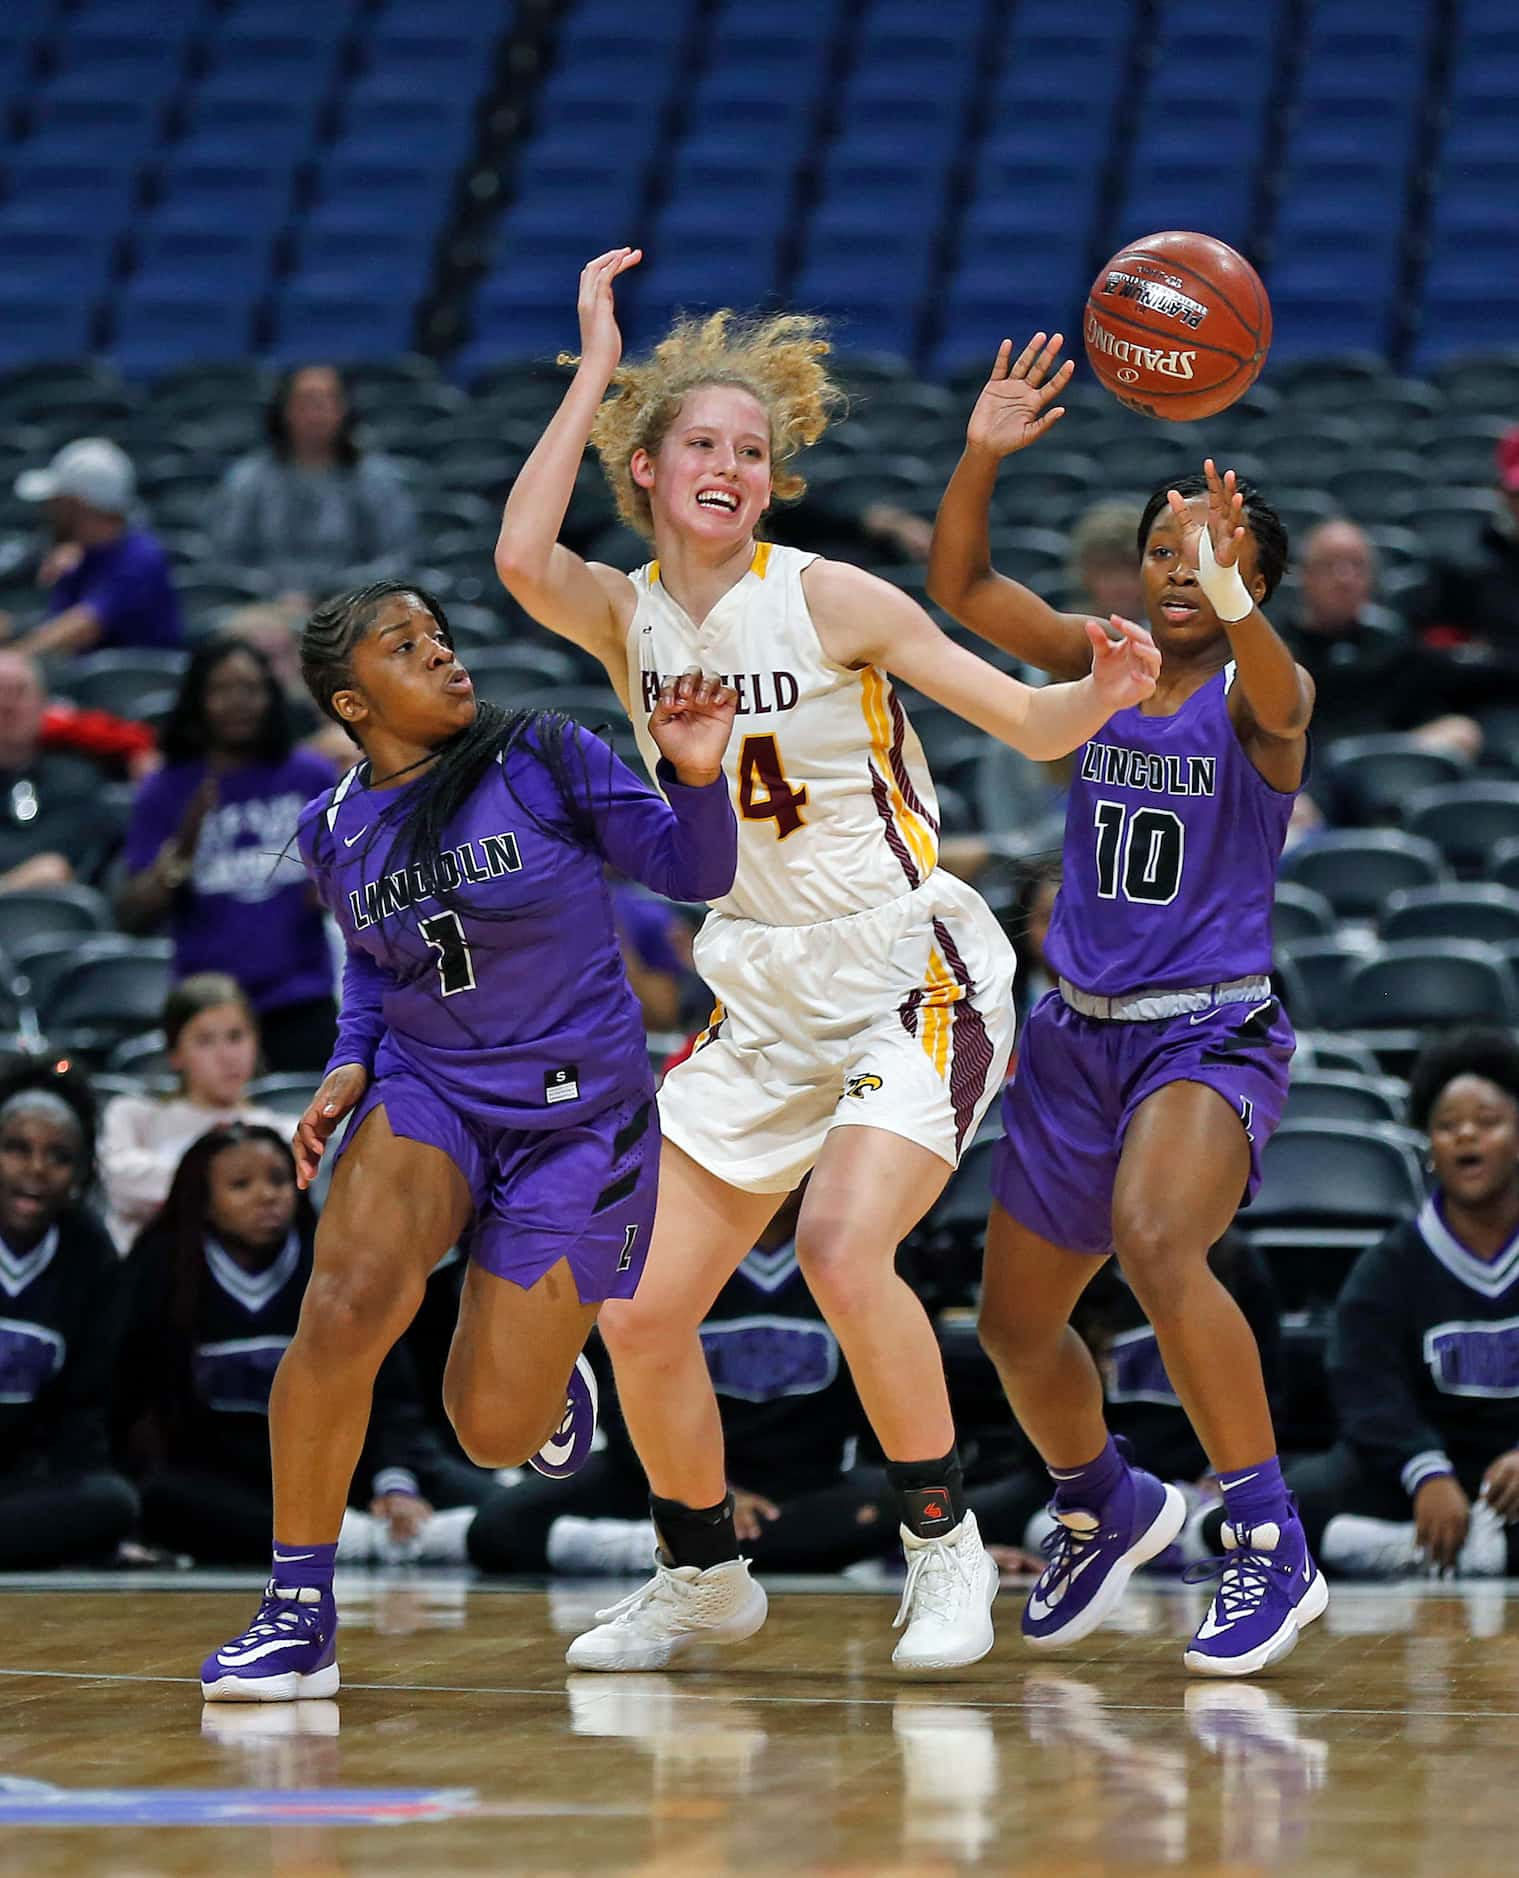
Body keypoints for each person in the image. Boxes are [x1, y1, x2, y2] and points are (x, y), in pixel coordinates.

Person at [494, 248, 1159, 1674]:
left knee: (841, 1249)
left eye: (752, 446)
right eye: (701, 445)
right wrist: (597, 368)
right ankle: (700, 1569)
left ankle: (940, 1544)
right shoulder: (623, 613)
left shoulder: (831, 597)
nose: (731, 462)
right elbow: (512, 558)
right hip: (759, 986)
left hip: (905, 966)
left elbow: (1028, 729)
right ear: (647, 470)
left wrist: (1094, 692)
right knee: (635, 1302)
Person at [200, 575, 739, 1701]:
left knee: (491, 1435)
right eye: (408, 646)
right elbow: (374, 973)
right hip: (431, 1087)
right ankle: (298, 1610)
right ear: (354, 703)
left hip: (581, 1119)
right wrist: (351, 1058)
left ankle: (547, 1384)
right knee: (342, 1307)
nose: (443, 654)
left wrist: (693, 771)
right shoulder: (335, 825)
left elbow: (697, 873)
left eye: (439, 635)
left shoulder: (543, 753)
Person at [928, 331, 1325, 1678]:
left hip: (1207, 1027)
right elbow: (961, 586)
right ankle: (1103, 1498)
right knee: (1014, 1326)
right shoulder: (1099, 663)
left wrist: (1240, 602)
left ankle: (1268, 1537)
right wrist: (980, 452)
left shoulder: (1251, 697)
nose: (1176, 567)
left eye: (1208, 551)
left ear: (1250, 579)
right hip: (1072, 1035)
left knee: (1159, 1245)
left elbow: (1287, 692)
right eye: (1163, 545)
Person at [118, 1124, 440, 1567]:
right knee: (154, 1498)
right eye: (240, 1185)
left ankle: (479, 1530)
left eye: (278, 1179)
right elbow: (129, 1399)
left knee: (482, 1503)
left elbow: (390, 1392)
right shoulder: (162, 1267)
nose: (267, 1195)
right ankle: (355, 1543)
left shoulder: (337, 1264)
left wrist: (395, 1483)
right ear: (203, 1202)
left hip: (342, 1467)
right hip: (221, 1479)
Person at [1289, 1029, 1519, 1579]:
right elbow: (1364, 1384)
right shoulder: (1391, 1265)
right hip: (1416, 1477)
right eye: (1446, 1126)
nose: (1465, 1134)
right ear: (1431, 1150)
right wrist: (1426, 1472)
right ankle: (1480, 1555)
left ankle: (1412, 1553)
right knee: (1282, 1504)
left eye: (1486, 1122)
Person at [115, 637, 338, 1073]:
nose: (238, 703)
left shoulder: (309, 775)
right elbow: (132, 916)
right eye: (222, 690)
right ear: (197, 699)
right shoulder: (165, 790)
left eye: (251, 689)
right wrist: (183, 845)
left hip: (301, 998)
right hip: (206, 1004)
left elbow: (348, 880)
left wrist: (331, 885)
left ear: (270, 696)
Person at [0, 1064, 140, 1568]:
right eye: (17, 1149)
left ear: (80, 1176)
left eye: (58, 1156)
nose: (36, 1168)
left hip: (22, 1484)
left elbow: (85, 1407)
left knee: (113, 1502)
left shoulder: (90, 1253)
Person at [98, 973, 286, 1252]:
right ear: (175, 1053)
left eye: (236, 1037)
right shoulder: (134, 1117)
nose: (226, 1056)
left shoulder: (283, 1132)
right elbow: (119, 1183)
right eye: (205, 1041)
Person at [211, 365, 418, 603]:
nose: (318, 411)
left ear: (345, 410)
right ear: (284, 410)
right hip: (266, 610)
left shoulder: (375, 478)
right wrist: (275, 597)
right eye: (307, 401)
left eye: (329, 400)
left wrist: (327, 596)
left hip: (354, 608)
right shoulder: (247, 479)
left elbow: (397, 559)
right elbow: (225, 561)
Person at [1282, 518, 1479, 761]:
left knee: (1461, 731)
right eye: (1329, 565)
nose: (1345, 578)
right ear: (1304, 575)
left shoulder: (1393, 645)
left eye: (1357, 565)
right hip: (1311, 773)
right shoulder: (1278, 649)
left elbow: (1428, 710)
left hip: (1392, 766)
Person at [6, 439, 183, 657]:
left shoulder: (140, 557)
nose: (48, 510)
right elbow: (52, 624)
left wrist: (12, 660)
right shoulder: (80, 555)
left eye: (56, 502)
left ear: (78, 506)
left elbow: (83, 627)